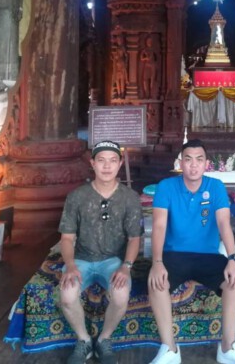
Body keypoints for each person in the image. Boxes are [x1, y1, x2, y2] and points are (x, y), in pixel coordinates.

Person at [147, 139, 235, 364]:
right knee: (156, 283)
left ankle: (228, 347)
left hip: (208, 255)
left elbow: (224, 224)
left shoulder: (215, 186)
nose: (193, 165)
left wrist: (233, 258)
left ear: (206, 163)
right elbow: (158, 226)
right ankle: (170, 349)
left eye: (199, 160)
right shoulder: (166, 186)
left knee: (234, 281)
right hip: (174, 255)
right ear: (181, 163)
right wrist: (157, 262)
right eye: (188, 159)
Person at [58, 140, 142, 364]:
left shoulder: (129, 197)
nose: (107, 166)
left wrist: (126, 266)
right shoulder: (77, 196)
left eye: (112, 161)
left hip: (113, 260)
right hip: (81, 259)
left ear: (120, 164)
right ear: (92, 163)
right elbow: (67, 238)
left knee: (121, 294)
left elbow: (135, 239)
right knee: (67, 294)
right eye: (101, 160)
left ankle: (104, 338)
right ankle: (84, 340)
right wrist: (70, 265)